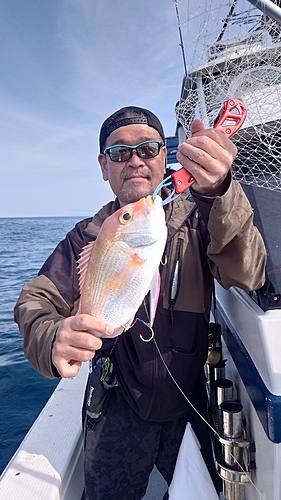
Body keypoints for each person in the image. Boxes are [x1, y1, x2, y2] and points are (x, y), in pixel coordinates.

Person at [14, 106, 266, 500]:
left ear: (164, 156)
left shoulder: (203, 217)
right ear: (104, 166)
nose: (134, 160)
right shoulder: (90, 236)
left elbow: (248, 273)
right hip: (116, 403)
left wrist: (221, 191)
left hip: (190, 399)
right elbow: (35, 300)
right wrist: (51, 336)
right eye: (119, 153)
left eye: (147, 149)